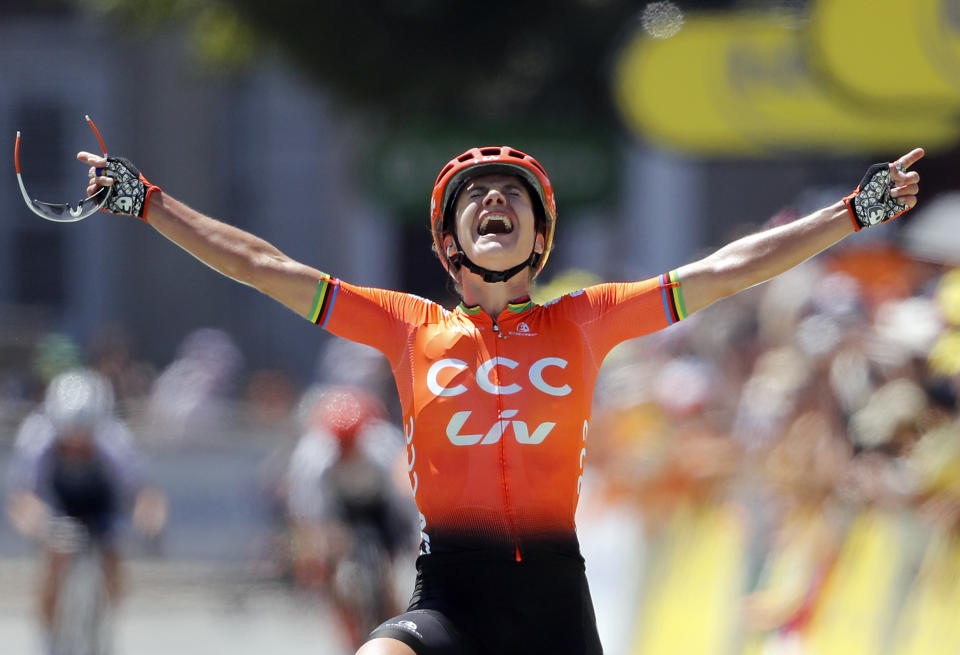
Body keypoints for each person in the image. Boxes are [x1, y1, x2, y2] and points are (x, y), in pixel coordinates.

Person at [75, 142, 923, 654]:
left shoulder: (586, 320)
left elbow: (728, 269)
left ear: (539, 238)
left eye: (512, 196)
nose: (494, 202)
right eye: (475, 198)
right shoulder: (408, 327)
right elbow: (262, 265)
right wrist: (147, 203)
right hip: (451, 593)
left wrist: (853, 213)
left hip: (554, 605)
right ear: (448, 245)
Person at [5, 368, 167, 646]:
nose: (78, 444)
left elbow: (144, 492)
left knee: (113, 553)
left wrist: (149, 522)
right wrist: (40, 528)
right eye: (70, 437)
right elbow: (22, 497)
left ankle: (105, 620)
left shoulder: (115, 438)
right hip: (58, 502)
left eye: (86, 435)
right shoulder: (36, 435)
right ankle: (50, 639)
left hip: (101, 502)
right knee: (55, 557)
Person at [287, 386, 415, 648]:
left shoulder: (383, 445)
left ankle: (393, 629)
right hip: (340, 508)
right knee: (329, 573)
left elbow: (405, 499)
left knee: (391, 571)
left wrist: (414, 540)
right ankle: (349, 637)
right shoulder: (313, 455)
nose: (347, 451)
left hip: (381, 506)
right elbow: (308, 511)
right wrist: (316, 553)